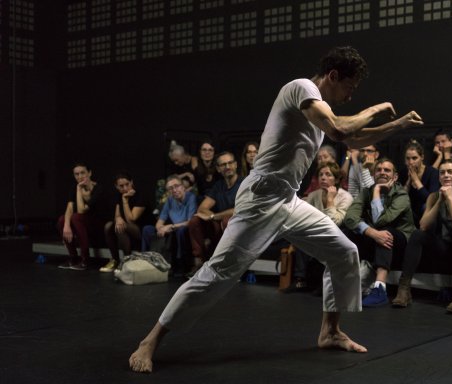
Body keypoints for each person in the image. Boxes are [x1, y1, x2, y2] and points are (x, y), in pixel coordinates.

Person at [128, 46, 423, 373]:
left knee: (343, 252)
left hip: (287, 200)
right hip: (260, 199)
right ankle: (150, 340)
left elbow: (352, 140)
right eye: (350, 88)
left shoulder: (318, 110)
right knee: (216, 275)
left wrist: (396, 125)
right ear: (333, 76)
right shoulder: (301, 88)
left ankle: (330, 331)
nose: (351, 96)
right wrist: (378, 108)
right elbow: (341, 129)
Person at [391, 159, 452, 313]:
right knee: (417, 234)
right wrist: (439, 201)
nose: (446, 175)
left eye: (450, 172)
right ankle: (404, 289)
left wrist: (449, 199)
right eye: (442, 173)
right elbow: (423, 225)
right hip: (450, 247)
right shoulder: (434, 197)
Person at [344, 158, 415, 307]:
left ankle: (380, 289)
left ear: (395, 177)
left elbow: (382, 221)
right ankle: (342, 279)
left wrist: (376, 192)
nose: (382, 172)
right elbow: (349, 217)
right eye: (379, 170)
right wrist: (370, 232)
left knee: (385, 232)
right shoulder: (366, 192)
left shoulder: (401, 195)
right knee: (348, 232)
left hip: (401, 243)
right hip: (377, 238)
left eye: (387, 170)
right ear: (373, 174)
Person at [287, 161, 353, 293]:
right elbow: (304, 218)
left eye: (328, 174)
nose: (323, 177)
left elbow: (335, 222)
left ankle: (324, 283)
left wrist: (330, 200)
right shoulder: (313, 195)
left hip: (335, 233)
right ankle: (300, 280)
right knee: (299, 234)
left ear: (337, 179)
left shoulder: (345, 196)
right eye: (321, 175)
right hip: (315, 232)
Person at [188, 151, 244, 273]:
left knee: (227, 220)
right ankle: (200, 261)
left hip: (238, 226)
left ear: (235, 165)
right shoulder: (218, 186)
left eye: (230, 163)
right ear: (218, 169)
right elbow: (202, 208)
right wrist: (212, 217)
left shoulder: (244, 184)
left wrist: (214, 216)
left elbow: (239, 210)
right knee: (195, 220)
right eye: (223, 165)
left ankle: (227, 264)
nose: (227, 167)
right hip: (219, 226)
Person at [141, 175, 198, 275]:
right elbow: (160, 220)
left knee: (181, 230)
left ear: (183, 187)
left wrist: (171, 226)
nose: (174, 190)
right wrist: (160, 228)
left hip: (184, 230)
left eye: (177, 186)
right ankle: (145, 259)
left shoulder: (191, 198)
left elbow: (190, 222)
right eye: (170, 188)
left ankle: (181, 264)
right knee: (147, 229)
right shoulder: (170, 200)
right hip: (172, 230)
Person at [57, 163, 110, 271]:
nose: (79, 176)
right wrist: (66, 226)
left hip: (98, 228)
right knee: (62, 220)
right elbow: (70, 208)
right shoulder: (75, 186)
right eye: (76, 174)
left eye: (82, 173)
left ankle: (85, 259)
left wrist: (78, 189)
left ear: (89, 173)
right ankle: (73, 258)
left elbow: (81, 210)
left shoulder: (98, 189)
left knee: (76, 217)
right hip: (83, 226)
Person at [101, 172, 149, 272]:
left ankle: (126, 262)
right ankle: (115, 259)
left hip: (142, 229)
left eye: (127, 184)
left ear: (132, 182)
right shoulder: (119, 195)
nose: (125, 188)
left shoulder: (140, 195)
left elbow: (131, 219)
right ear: (116, 186)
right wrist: (118, 218)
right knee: (109, 226)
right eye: (121, 186)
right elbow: (117, 216)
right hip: (128, 228)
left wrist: (125, 201)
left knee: (122, 226)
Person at [398, 139, 439, 226]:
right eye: (407, 158)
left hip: (427, 211)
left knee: (425, 207)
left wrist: (416, 180)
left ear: (422, 157)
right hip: (410, 210)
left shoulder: (432, 172)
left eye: (414, 158)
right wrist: (409, 181)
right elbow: (400, 199)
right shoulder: (403, 173)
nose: (411, 162)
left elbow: (431, 201)